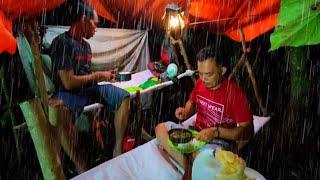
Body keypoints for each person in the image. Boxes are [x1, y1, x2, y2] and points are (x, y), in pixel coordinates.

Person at [50, 2, 130, 158]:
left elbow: (85, 74)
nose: (96, 28)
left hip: (88, 90)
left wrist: (105, 74)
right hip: (68, 93)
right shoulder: (61, 43)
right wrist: (98, 75)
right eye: (95, 23)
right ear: (83, 20)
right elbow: (68, 82)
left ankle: (117, 150)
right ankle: (78, 164)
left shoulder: (86, 46)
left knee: (124, 97)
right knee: (60, 111)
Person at [155, 46, 254, 169]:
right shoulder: (200, 83)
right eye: (200, 73)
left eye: (208, 74)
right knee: (160, 129)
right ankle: (186, 165)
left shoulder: (235, 94)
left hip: (219, 141)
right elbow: (191, 102)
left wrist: (216, 132)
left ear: (222, 70)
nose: (203, 79)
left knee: (202, 158)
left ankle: (187, 158)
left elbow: (248, 131)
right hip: (195, 134)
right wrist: (185, 112)